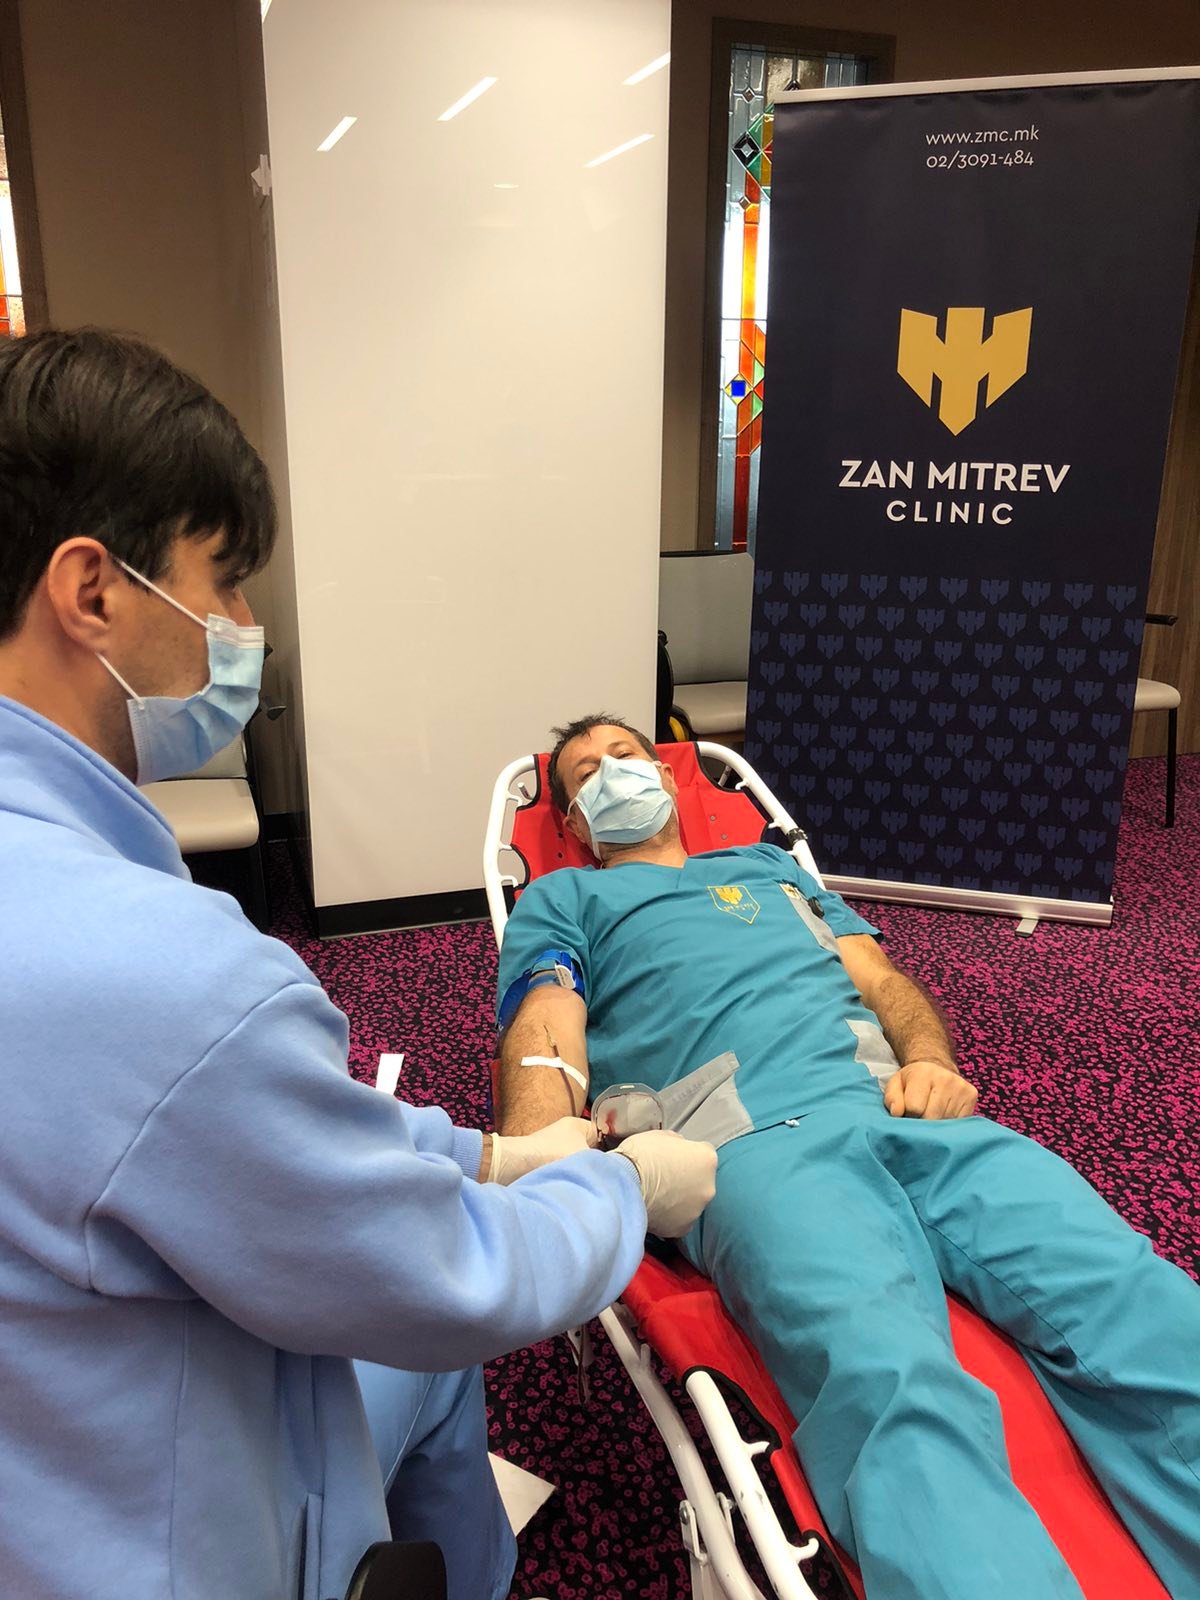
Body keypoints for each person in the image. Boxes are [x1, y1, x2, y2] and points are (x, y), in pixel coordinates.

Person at [0, 332, 716, 1600]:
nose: (244, 628)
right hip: (162, 1545)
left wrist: (484, 1153)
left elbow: (255, 1142)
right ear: (92, 590)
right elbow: (441, 1277)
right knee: (434, 1352)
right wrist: (614, 1186)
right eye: (223, 582)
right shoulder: (175, 981)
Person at [495, 713, 1200, 1600]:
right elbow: (544, 1031)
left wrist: (932, 1061)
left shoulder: (774, 869)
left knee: (1138, 1299)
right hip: (753, 1149)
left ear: (668, 777)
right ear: (572, 822)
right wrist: (539, 1173)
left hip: (910, 1112)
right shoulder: (567, 900)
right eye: (586, 774)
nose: (611, 775)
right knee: (889, 1379)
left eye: (625, 756)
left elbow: (883, 982)